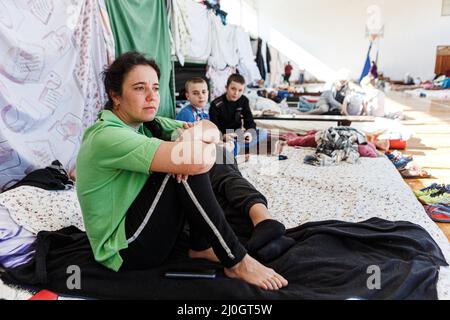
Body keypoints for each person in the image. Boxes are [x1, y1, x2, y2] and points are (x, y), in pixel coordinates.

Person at [76, 51, 288, 291]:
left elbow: (212, 130)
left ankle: (204, 244)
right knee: (186, 165)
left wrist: (194, 136)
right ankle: (237, 260)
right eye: (139, 88)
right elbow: (196, 160)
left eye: (155, 88)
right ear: (115, 95)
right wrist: (189, 149)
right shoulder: (107, 136)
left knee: (214, 155)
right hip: (124, 250)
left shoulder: (147, 124)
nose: (151, 97)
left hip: (147, 228)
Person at [209, 74, 278, 156]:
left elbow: (249, 121)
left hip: (238, 135)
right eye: (233, 89)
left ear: (243, 90)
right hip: (225, 137)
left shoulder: (243, 100)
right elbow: (214, 127)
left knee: (263, 132)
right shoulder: (216, 104)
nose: (236, 93)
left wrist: (249, 133)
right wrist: (223, 136)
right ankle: (239, 148)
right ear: (226, 87)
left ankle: (237, 148)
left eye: (240, 90)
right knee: (223, 144)